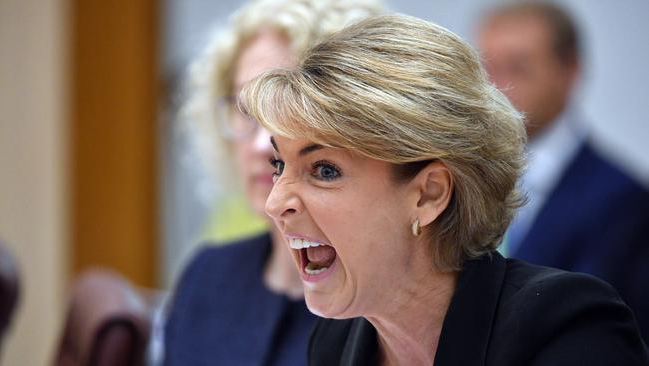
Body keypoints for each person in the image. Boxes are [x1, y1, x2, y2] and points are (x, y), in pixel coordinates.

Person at [240, 14, 649, 365]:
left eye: (324, 170)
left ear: (429, 194)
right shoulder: (334, 343)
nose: (276, 203)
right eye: (280, 165)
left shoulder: (566, 329)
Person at [161, 0, 383, 365]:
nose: (262, 143)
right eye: (245, 109)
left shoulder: (385, 304)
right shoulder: (206, 276)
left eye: (290, 110)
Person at [477, 2, 649, 343]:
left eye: (518, 68)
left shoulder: (622, 199)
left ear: (569, 69)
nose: (497, 88)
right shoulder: (453, 180)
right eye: (486, 70)